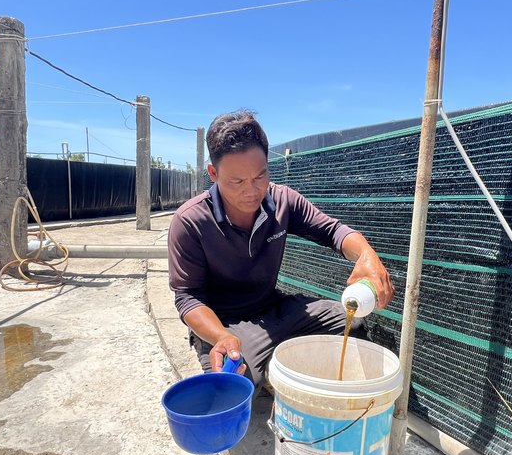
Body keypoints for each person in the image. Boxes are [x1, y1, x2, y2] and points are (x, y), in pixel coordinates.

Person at [168, 109, 394, 392]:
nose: (252, 191)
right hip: (225, 323)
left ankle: (279, 364)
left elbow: (333, 231)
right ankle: (254, 363)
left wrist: (367, 254)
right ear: (213, 173)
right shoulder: (190, 221)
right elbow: (188, 298)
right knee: (237, 381)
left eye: (260, 176)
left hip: (273, 308)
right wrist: (220, 336)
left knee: (351, 324)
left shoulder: (283, 200)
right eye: (236, 181)